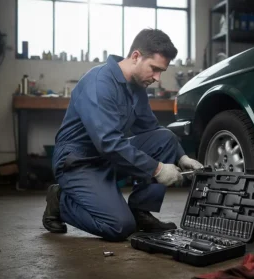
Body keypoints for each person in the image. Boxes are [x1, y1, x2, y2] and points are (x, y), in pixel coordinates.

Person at [42, 29, 203, 241]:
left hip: (106, 158)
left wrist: (181, 157)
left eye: (161, 71)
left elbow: (152, 131)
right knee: (119, 226)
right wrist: (157, 169)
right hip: (78, 162)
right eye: (154, 69)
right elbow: (108, 143)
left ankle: (140, 211)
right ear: (136, 56)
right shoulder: (99, 83)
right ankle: (60, 201)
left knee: (165, 138)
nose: (157, 78)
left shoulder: (137, 87)